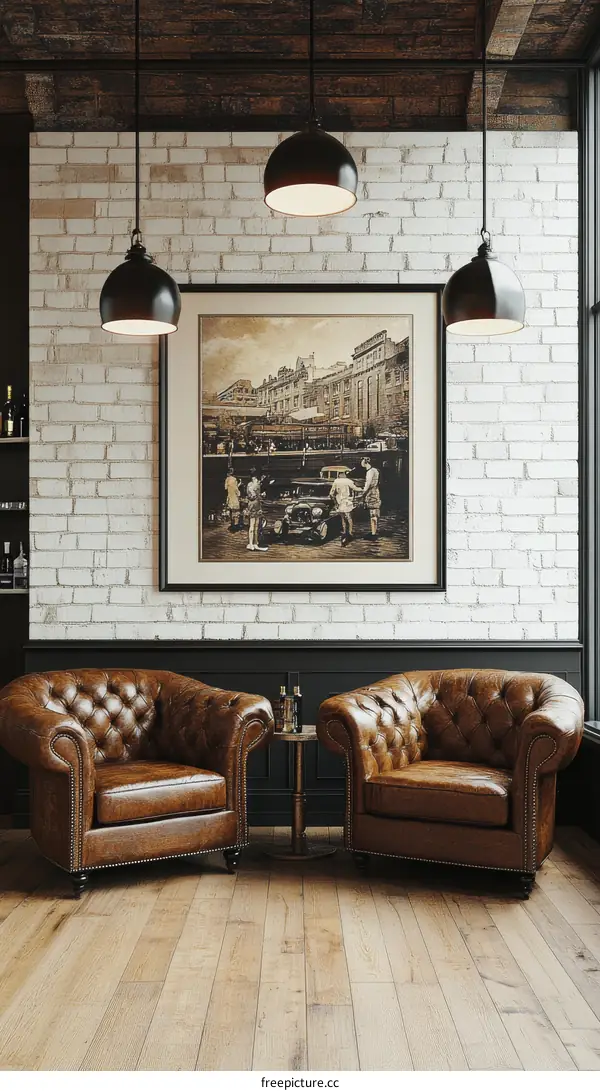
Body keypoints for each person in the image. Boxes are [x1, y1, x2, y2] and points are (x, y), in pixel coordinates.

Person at [329, 469, 362, 546]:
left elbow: (331, 493)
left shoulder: (336, 481)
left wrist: (335, 501)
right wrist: (363, 489)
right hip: (347, 501)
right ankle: (350, 532)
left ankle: (344, 531)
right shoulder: (348, 481)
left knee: (343, 518)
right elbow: (355, 488)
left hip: (339, 502)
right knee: (349, 517)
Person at [246, 469, 268, 552]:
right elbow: (252, 496)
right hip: (253, 505)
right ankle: (251, 543)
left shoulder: (254, 484)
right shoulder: (252, 485)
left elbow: (256, 495)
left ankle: (255, 543)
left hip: (256, 505)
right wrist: (260, 495)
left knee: (256, 526)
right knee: (252, 526)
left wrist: (261, 495)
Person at [361, 457, 381, 539]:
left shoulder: (369, 472)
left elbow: (368, 484)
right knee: (374, 512)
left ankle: (373, 534)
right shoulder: (375, 470)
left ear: (365, 462)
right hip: (375, 491)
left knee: (372, 513)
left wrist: (363, 493)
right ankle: (374, 531)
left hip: (371, 493)